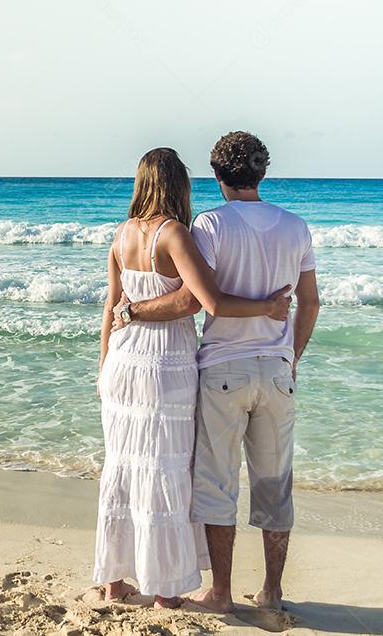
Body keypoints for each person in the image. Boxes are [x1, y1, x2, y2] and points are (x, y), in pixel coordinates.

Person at [114, 132, 320, 612]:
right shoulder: (296, 226)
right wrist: (291, 355)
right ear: (262, 172)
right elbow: (309, 302)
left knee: (217, 484)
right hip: (276, 371)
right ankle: (271, 591)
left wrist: (134, 312)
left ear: (219, 176)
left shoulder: (208, 224)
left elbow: (192, 298)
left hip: (223, 369)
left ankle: (222, 594)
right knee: (273, 484)